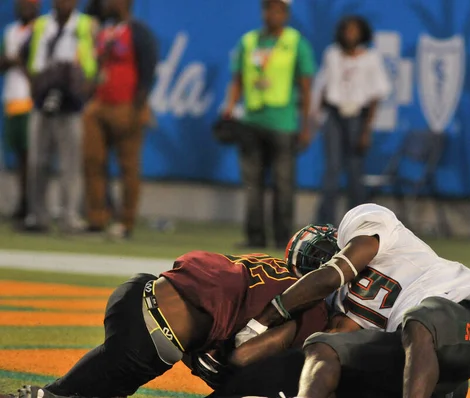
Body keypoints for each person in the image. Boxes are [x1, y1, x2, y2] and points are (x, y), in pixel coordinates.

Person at [8, 224, 338, 398]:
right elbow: (243, 356)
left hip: (140, 295)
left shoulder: (268, 265)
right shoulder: (308, 305)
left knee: (64, 394)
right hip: (156, 333)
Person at [228, 204, 470, 398]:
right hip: (420, 366)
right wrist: (240, 348)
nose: (317, 260)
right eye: (308, 263)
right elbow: (338, 340)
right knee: (323, 347)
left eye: (316, 251)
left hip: (462, 327)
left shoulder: (362, 223)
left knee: (419, 319)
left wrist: (265, 319)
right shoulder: (339, 304)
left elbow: (332, 274)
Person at [223, 0, 316, 249]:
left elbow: (306, 88)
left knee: (283, 184)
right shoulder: (249, 41)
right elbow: (237, 79)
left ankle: (282, 240)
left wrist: (306, 125)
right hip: (251, 120)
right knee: (252, 184)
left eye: (276, 9)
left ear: (285, 13)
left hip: (283, 123)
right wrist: (230, 106)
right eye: (267, 8)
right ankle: (255, 237)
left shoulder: (296, 42)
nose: (270, 14)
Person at [82, 0, 158, 240]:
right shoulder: (104, 29)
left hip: (127, 106)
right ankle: (96, 218)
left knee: (128, 168)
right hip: (100, 103)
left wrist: (138, 107)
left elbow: (148, 71)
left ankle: (126, 222)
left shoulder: (139, 32)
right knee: (92, 162)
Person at [20, 0, 97, 233]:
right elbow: (26, 55)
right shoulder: (42, 25)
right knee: (37, 162)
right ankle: (37, 216)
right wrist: (35, 84)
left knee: (70, 164)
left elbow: (96, 59)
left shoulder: (86, 25)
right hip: (43, 101)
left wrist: (85, 88)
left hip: (71, 103)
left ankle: (69, 216)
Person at [314, 16, 391, 224]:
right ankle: (324, 224)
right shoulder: (332, 54)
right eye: (347, 30)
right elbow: (323, 86)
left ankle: (357, 224)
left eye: (355, 30)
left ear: (362, 33)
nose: (350, 34)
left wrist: (367, 129)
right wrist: (316, 117)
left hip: (358, 117)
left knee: (355, 172)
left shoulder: (371, 58)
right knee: (331, 170)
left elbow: (377, 95)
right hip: (334, 115)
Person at [0, 0, 39, 221]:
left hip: (31, 100)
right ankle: (22, 203)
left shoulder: (41, 29)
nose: (24, 8)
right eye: (21, 4)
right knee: (17, 157)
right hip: (11, 99)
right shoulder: (10, 31)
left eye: (29, 5)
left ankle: (30, 205)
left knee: (30, 157)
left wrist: (18, 60)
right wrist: (11, 60)